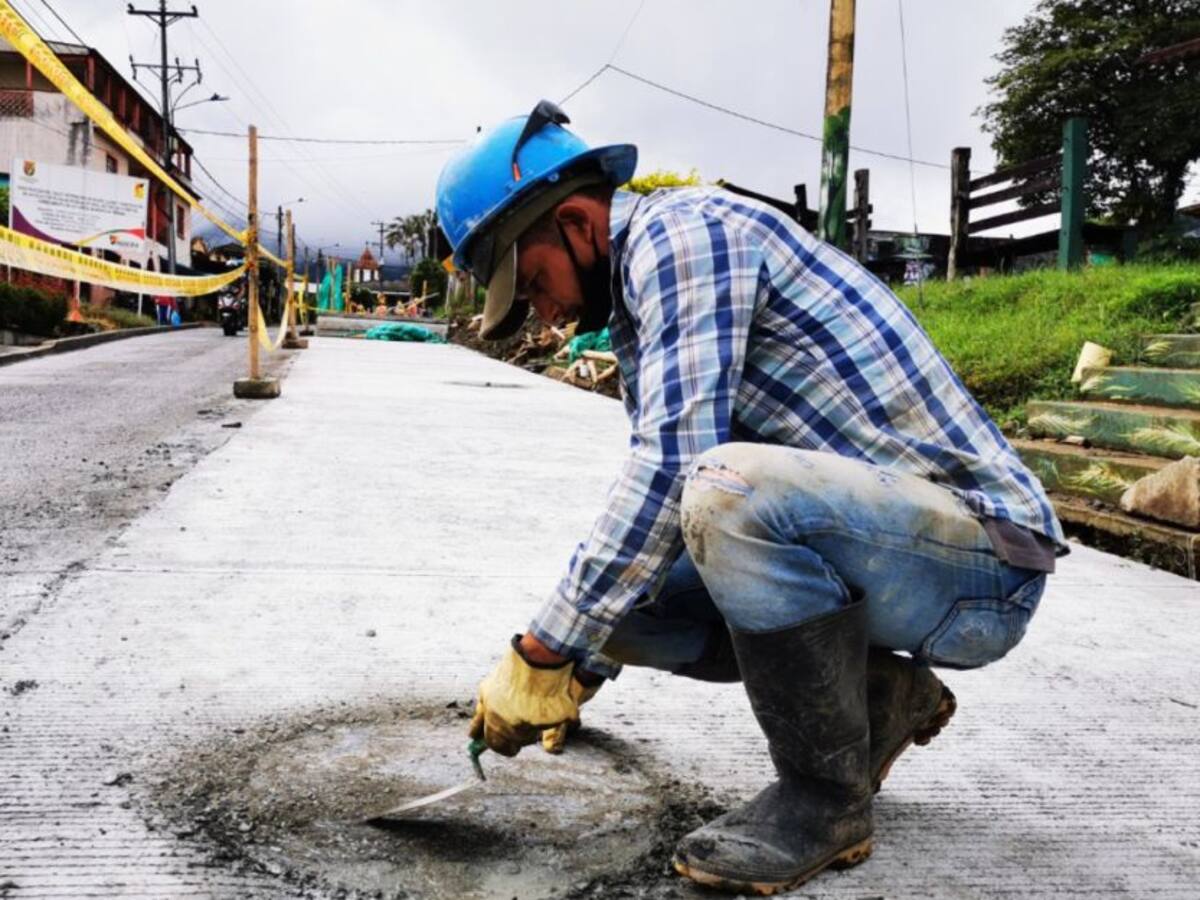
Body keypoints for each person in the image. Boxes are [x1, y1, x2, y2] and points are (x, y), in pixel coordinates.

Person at [436, 100, 1066, 895]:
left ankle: (823, 800)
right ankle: (877, 697)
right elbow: (652, 523)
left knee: (723, 493)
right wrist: (575, 665)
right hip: (892, 548)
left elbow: (675, 468)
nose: (545, 313)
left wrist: (542, 651)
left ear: (576, 224)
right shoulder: (641, 302)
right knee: (623, 606)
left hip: (984, 563)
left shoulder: (682, 237)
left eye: (532, 285)